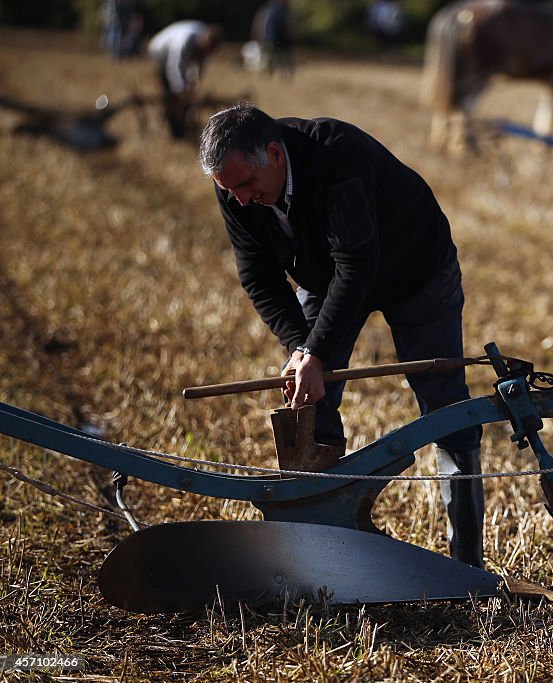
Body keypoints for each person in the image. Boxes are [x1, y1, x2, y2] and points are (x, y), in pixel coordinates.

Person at [197, 103, 485, 568]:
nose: (242, 200)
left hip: (415, 267)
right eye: (230, 191)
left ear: (274, 153)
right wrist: (300, 350)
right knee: (308, 397)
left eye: (247, 186)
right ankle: (327, 552)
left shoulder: (337, 154)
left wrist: (317, 350)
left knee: (446, 406)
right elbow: (259, 277)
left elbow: (356, 266)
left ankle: (468, 562)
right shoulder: (237, 189)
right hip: (327, 274)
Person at [148, 20, 222, 138]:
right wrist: (180, 88)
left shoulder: (204, 39)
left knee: (186, 92)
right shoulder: (183, 41)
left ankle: (183, 125)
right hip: (160, 52)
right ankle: (175, 129)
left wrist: (194, 83)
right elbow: (174, 66)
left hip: (179, 56)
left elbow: (200, 64)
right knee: (172, 94)